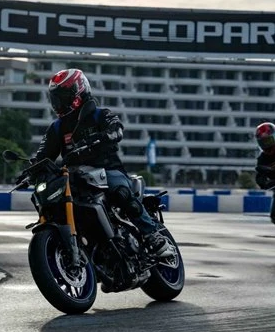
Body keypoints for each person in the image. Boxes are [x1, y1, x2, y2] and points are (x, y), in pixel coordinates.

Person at [30, 68, 173, 257]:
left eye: (62, 96)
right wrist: (31, 169)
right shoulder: (57, 128)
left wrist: (106, 136)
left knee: (120, 192)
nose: (58, 102)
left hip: (108, 170)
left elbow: (116, 128)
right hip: (76, 177)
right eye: (55, 98)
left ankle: (152, 234)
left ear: (78, 91)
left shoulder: (99, 115)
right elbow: (43, 155)